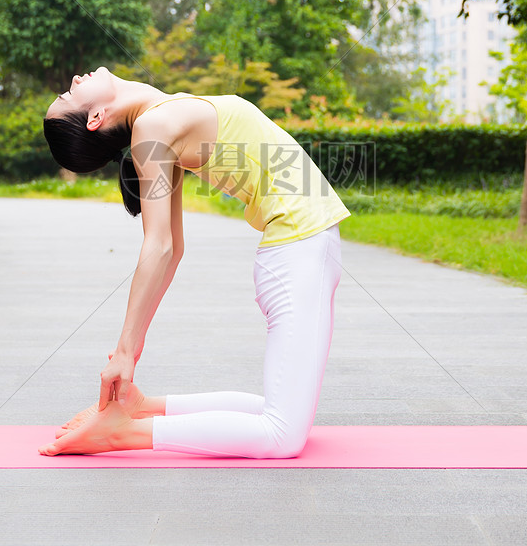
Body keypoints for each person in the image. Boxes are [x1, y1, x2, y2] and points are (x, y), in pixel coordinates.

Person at [39, 66, 349, 457]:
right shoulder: (152, 128)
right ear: (96, 118)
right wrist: (125, 350)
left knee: (277, 415)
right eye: (69, 96)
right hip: (298, 250)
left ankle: (140, 409)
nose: (75, 82)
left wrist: (130, 351)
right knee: (282, 435)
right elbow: (161, 246)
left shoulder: (161, 116)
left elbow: (172, 250)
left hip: (299, 249)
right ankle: (123, 434)